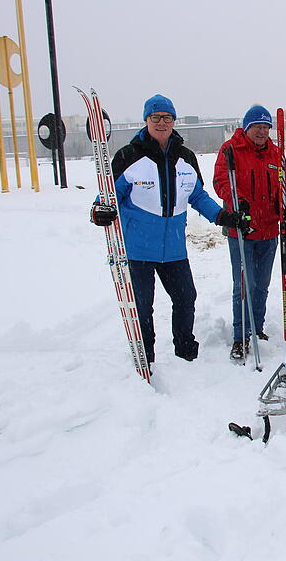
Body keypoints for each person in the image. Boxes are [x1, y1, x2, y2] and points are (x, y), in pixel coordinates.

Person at [90, 94, 249, 372]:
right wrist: (98, 211)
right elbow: (107, 196)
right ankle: (146, 355)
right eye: (155, 118)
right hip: (138, 249)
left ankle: (185, 351)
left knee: (186, 297)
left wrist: (222, 216)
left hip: (174, 249)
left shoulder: (185, 157)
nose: (161, 123)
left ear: (173, 121)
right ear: (146, 121)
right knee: (143, 306)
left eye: (166, 118)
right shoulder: (129, 156)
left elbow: (197, 195)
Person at [213, 105, 286, 361]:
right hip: (241, 230)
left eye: (265, 127)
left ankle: (256, 327)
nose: (261, 131)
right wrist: (237, 202)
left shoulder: (276, 153)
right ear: (247, 128)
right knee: (244, 285)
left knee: (262, 285)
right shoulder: (230, 150)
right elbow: (221, 181)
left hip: (269, 229)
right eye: (257, 127)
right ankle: (240, 336)